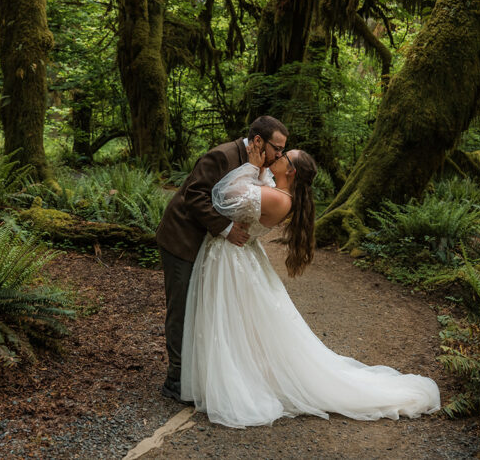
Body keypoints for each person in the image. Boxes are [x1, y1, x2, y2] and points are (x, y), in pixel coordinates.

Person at [181, 143, 441, 428]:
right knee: (236, 324)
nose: (277, 156)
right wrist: (258, 173)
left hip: (235, 260)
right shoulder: (275, 189)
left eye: (284, 156)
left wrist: (252, 167)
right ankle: (230, 376)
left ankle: (238, 382)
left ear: (290, 172)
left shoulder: (279, 198)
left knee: (232, 322)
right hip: (235, 258)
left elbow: (223, 196)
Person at [155, 116, 289, 402]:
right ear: (257, 141)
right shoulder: (222, 155)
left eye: (282, 150)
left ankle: (198, 373)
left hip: (207, 246)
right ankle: (175, 378)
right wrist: (226, 229)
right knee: (181, 308)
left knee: (200, 308)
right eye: (276, 148)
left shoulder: (257, 164)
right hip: (182, 240)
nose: (279, 155)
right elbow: (194, 196)